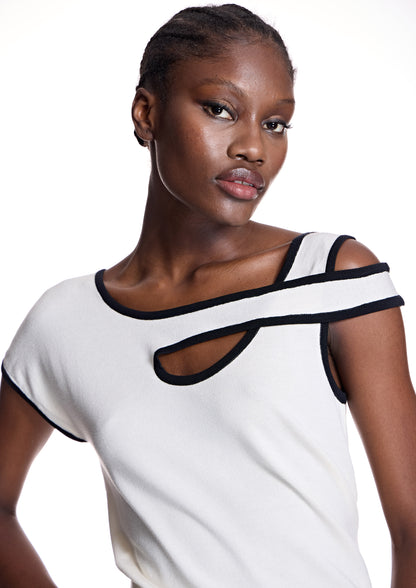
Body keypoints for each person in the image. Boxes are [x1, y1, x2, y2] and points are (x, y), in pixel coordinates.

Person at [1, 3, 416, 587]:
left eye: (276, 123)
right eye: (221, 110)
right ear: (147, 113)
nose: (253, 147)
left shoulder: (330, 278)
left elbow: (412, 526)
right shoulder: (67, 322)